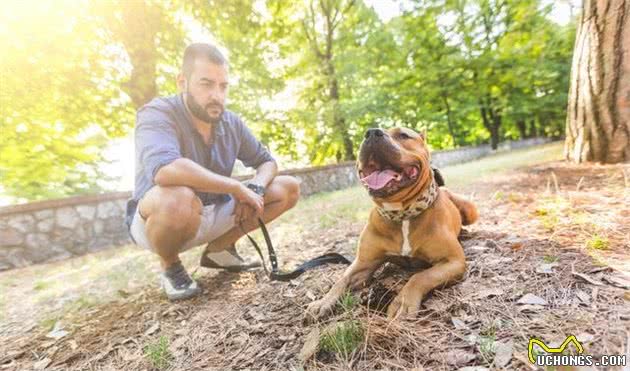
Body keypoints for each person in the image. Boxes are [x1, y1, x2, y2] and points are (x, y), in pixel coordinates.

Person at [125, 43, 300, 301]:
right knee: (178, 198)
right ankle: (170, 264)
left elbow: (267, 162)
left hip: (211, 210)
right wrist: (234, 187)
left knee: (288, 187)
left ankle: (220, 250)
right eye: (206, 84)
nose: (217, 95)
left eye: (223, 86)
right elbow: (165, 170)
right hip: (160, 216)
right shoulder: (157, 113)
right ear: (182, 82)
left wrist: (255, 187)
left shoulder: (231, 122)